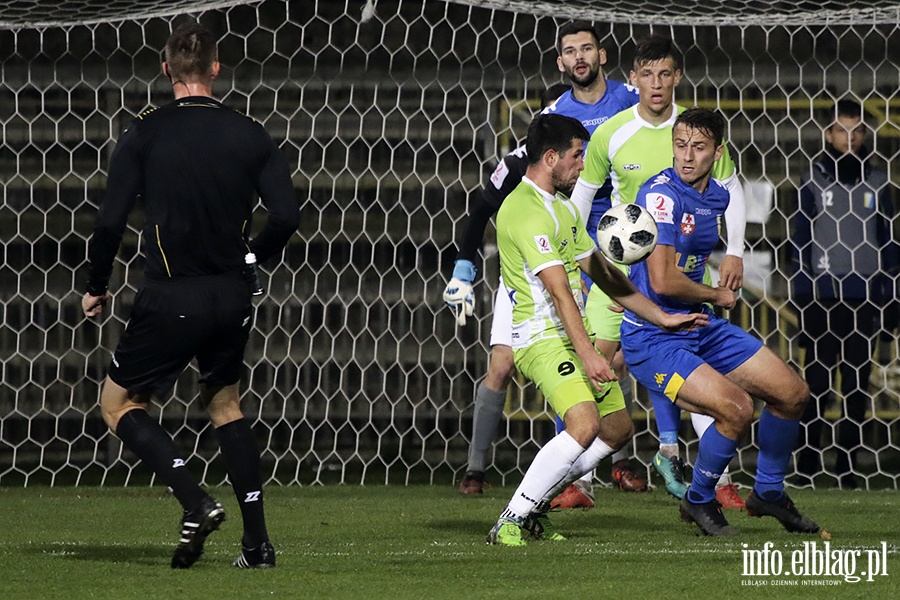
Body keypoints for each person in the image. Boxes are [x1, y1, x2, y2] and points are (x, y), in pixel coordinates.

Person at [82, 21, 299, 568]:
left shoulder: (145, 131)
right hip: (231, 295)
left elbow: (109, 223)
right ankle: (257, 545)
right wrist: (252, 258)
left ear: (166, 69)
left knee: (119, 403)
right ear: (217, 70)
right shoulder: (249, 131)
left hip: (172, 293)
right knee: (226, 404)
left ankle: (195, 500)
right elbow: (287, 215)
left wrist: (95, 285)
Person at [445, 20, 646, 503]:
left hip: (601, 249)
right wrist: (464, 265)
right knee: (509, 362)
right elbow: (491, 194)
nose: (579, 57)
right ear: (560, 62)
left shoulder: (631, 103)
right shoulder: (552, 120)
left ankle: (606, 466)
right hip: (542, 257)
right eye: (569, 51)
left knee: (607, 359)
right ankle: (487, 473)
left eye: (587, 48)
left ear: (601, 55)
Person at [486, 113, 706, 546]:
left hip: (572, 334)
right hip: (541, 338)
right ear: (550, 158)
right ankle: (510, 517)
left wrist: (658, 315)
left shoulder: (563, 207)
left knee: (618, 428)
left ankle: (536, 507)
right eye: (576, 156)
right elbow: (560, 293)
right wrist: (588, 354)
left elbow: (604, 274)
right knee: (584, 424)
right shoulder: (523, 210)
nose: (583, 165)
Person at [622, 107, 819, 535]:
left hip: (699, 325)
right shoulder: (660, 196)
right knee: (736, 409)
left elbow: (696, 257)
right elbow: (662, 279)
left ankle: (767, 492)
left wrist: (731, 259)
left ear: (718, 152)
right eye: (680, 146)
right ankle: (698, 500)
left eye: (698, 147)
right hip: (654, 338)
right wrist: (718, 294)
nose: (687, 156)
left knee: (792, 393)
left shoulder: (718, 196)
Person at [569, 34, 747, 508]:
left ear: (677, 78)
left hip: (683, 275)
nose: (656, 83)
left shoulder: (695, 131)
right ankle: (578, 481)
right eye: (646, 74)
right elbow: (582, 197)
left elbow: (733, 188)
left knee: (703, 373)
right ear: (632, 79)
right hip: (621, 277)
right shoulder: (612, 133)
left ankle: (719, 479)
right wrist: (582, 257)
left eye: (664, 74)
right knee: (596, 366)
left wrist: (735, 251)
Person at [790, 99, 899, 490]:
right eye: (842, 131)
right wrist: (802, 299)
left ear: (865, 135)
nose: (849, 139)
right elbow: (798, 242)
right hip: (821, 297)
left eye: (857, 132)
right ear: (828, 134)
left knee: (856, 386)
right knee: (815, 385)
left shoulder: (878, 181)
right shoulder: (812, 180)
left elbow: (889, 244)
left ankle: (848, 467)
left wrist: (890, 301)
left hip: (864, 297)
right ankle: (806, 464)